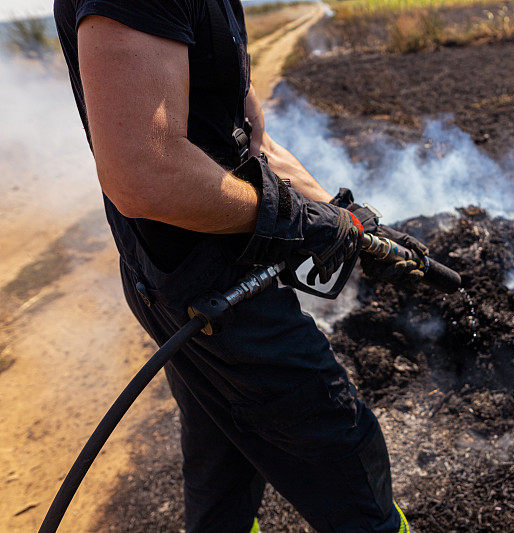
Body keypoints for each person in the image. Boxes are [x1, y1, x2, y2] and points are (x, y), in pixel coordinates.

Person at [54, 0, 425, 531]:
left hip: (200, 275)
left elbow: (255, 145)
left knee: (222, 464)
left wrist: (353, 222)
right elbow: (144, 174)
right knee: (347, 452)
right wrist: (301, 223)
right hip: (206, 283)